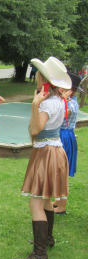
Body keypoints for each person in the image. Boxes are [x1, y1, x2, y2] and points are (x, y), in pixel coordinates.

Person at [18, 57, 71, 259]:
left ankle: (40, 253)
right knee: (47, 197)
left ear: (44, 78)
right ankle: (47, 239)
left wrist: (34, 105)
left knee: (35, 203)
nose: (37, 77)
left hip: (46, 152)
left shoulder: (47, 103)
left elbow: (35, 129)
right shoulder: (59, 100)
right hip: (55, 150)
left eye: (39, 74)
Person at [52, 72, 81, 214]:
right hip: (62, 135)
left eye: (63, 87)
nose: (60, 89)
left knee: (62, 171)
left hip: (65, 136)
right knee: (57, 171)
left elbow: (59, 116)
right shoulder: (66, 101)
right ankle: (58, 200)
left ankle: (62, 206)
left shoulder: (71, 104)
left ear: (71, 90)